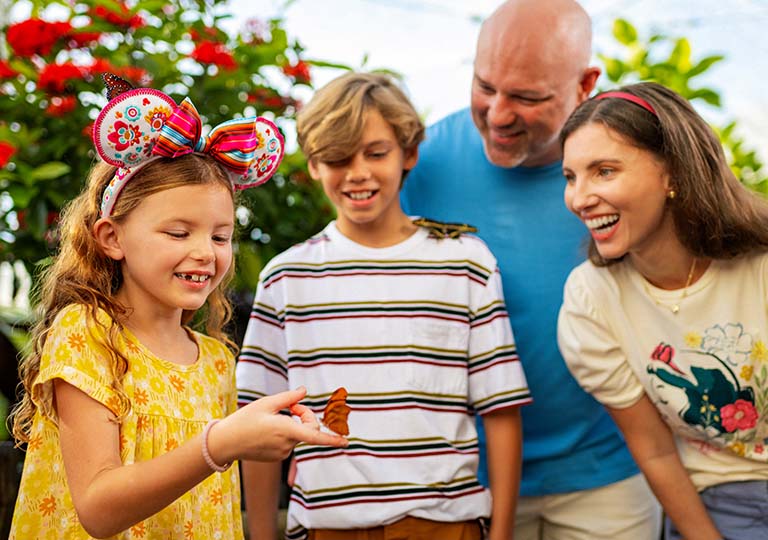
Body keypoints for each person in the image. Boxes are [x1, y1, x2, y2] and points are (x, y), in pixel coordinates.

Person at [8, 79, 347, 539]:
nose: (206, 252)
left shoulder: (216, 361)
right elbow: (98, 508)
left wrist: (270, 436)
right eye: (178, 233)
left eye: (220, 236)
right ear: (112, 237)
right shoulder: (88, 334)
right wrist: (223, 442)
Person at [401, 0, 661, 538]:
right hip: (465, 476)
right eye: (484, 86)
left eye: (527, 97)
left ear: (586, 84)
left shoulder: (632, 164)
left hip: (608, 472)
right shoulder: (421, 162)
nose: (497, 114)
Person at [236, 72, 531, 540]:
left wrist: (501, 534)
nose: (358, 172)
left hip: (446, 525)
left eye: (376, 153)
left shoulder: (466, 263)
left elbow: (501, 408)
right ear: (313, 164)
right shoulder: (285, 278)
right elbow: (258, 421)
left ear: (408, 154)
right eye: (337, 157)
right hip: (326, 528)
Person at [558, 81, 768, 540]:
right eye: (571, 177)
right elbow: (654, 451)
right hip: (719, 498)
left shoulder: (761, 267)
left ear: (672, 172)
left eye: (605, 171)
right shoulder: (591, 301)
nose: (579, 197)